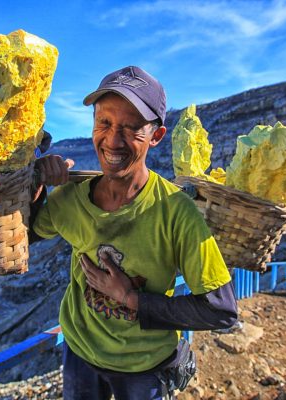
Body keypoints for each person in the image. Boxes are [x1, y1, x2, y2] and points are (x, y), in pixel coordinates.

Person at [30, 66, 237, 400]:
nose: (113, 139)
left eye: (131, 127)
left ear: (155, 136)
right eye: (105, 123)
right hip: (80, 353)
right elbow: (19, 240)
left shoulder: (175, 211)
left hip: (145, 367)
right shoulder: (69, 199)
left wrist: (130, 299)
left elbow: (221, 309)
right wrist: (35, 185)